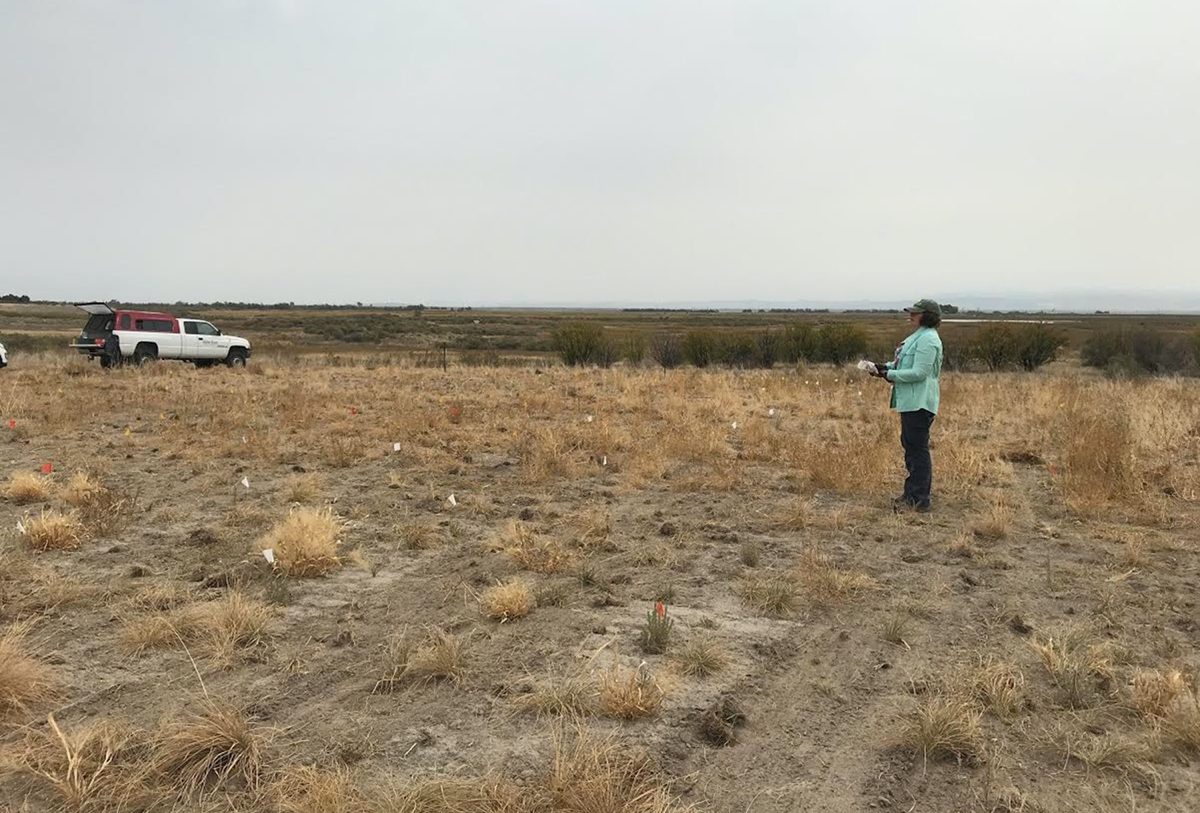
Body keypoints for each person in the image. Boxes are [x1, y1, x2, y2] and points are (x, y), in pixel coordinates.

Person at [869, 299, 944, 512]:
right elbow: (905, 364)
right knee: (911, 446)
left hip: (920, 401)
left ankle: (919, 499)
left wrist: (890, 374)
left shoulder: (928, 339)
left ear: (927, 315)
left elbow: (919, 373)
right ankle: (912, 494)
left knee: (917, 449)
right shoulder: (918, 336)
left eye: (916, 312)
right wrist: (883, 368)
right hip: (911, 401)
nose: (911, 315)